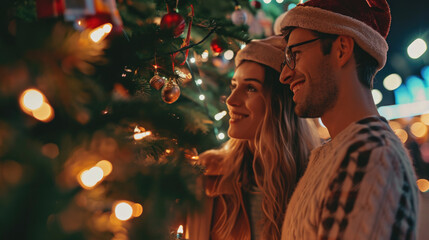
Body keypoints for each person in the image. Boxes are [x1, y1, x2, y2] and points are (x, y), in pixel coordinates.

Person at [277, 0, 420, 239]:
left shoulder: (369, 154)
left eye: (296, 54)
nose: (285, 74)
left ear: (341, 49)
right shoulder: (344, 150)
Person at [185, 36, 320, 240]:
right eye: (233, 85)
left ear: (279, 104)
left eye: (250, 88)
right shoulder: (208, 172)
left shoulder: (314, 179)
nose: (231, 100)